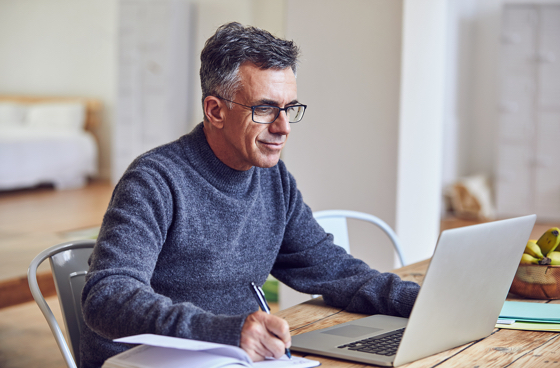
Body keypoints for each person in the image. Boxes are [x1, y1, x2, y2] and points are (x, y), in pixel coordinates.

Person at [80, 22, 420, 368]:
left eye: (289, 109)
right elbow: (107, 297)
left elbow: (335, 271)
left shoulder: (273, 179)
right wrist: (224, 330)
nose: (283, 127)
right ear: (215, 111)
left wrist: (425, 301)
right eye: (265, 109)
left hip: (236, 357)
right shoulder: (154, 180)